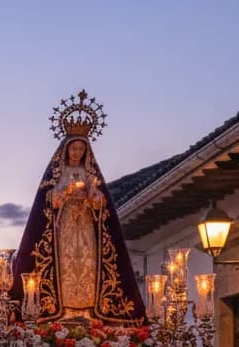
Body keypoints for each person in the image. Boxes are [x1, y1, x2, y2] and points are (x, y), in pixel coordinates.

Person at [9, 106, 145, 324]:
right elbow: (47, 202)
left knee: (87, 264)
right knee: (65, 265)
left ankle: (87, 310)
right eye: (74, 148)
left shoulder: (90, 174)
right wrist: (65, 193)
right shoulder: (57, 173)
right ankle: (65, 310)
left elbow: (103, 205)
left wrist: (93, 195)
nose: (77, 153)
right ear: (66, 150)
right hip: (64, 227)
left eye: (81, 149)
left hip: (86, 226)